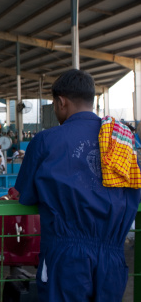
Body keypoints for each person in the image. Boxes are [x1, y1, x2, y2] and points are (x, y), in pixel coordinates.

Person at [15, 69, 141, 302]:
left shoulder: (46, 141)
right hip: (112, 257)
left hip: (66, 259)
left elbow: (26, 196)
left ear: (61, 102)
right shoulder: (122, 141)